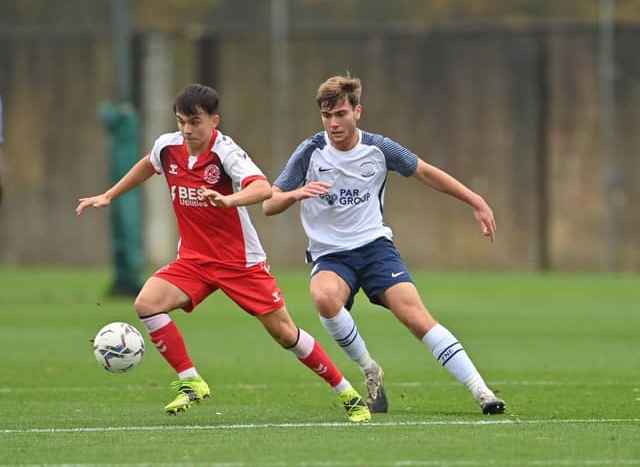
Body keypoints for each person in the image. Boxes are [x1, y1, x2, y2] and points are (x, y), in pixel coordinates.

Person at [76, 83, 371, 422]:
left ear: (213, 121)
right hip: (193, 260)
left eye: (195, 122)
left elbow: (261, 188)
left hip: (239, 263)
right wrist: (110, 195)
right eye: (181, 121)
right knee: (147, 304)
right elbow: (148, 163)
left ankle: (348, 394)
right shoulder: (168, 146)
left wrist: (229, 199)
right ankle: (191, 381)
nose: (187, 130)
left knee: (285, 334)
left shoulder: (226, 153)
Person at [262, 74, 506, 415]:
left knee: (416, 317)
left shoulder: (379, 148)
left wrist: (475, 200)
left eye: (341, 114)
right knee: (323, 296)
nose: (334, 123)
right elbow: (269, 204)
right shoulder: (310, 151)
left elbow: (426, 172)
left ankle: (481, 391)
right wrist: (295, 193)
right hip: (331, 254)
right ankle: (369, 369)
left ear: (357, 111)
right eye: (327, 116)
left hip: (374, 247)